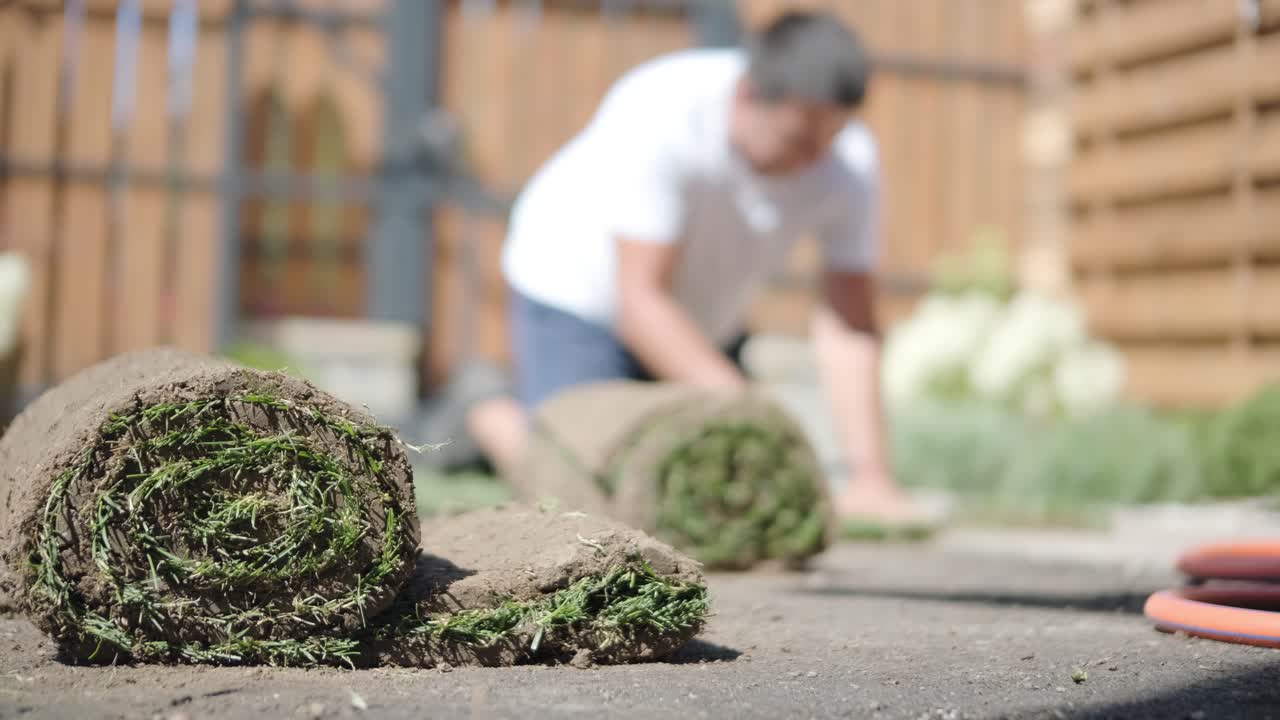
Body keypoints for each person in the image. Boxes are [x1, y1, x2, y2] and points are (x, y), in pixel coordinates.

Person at [453, 9, 925, 525]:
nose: (815, 160)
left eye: (828, 141)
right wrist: (751, 412)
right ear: (747, 94)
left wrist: (869, 476)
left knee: (730, 498)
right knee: (586, 498)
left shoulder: (848, 161)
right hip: (581, 297)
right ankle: (487, 412)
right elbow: (639, 302)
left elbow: (849, 324)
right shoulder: (663, 110)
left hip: (697, 321)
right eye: (797, 140)